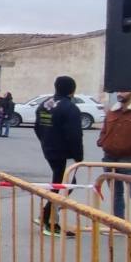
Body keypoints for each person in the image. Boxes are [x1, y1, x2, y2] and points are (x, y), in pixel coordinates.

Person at [34, 76, 84, 237]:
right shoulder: (70, 108)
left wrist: (45, 141)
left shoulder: (45, 104)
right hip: (65, 153)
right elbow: (74, 135)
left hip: (49, 150)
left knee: (60, 183)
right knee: (64, 186)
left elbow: (37, 127)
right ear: (72, 90)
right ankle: (50, 222)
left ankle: (45, 214)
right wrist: (78, 157)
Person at [97, 91, 131, 220]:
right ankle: (118, 222)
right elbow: (104, 129)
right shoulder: (113, 110)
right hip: (110, 157)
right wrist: (102, 141)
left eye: (124, 90)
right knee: (116, 194)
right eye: (119, 90)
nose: (120, 93)